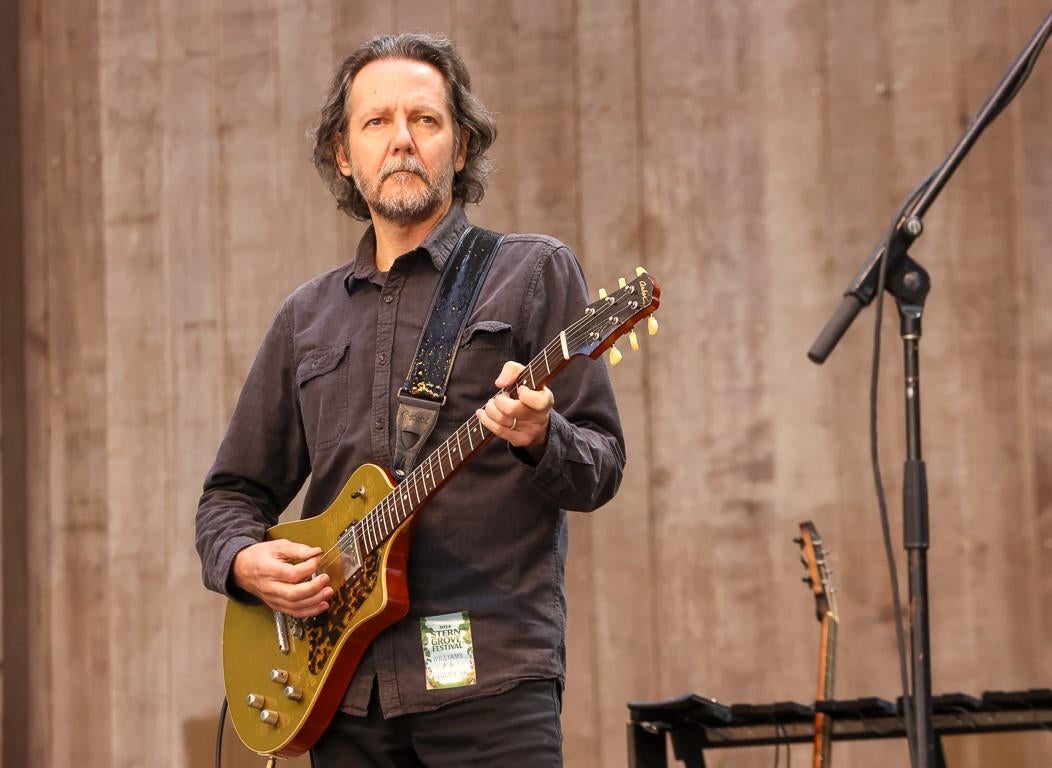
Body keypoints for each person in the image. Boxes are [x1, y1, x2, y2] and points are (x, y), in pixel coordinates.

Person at [195, 32, 625, 767]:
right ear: (343, 153)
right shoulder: (307, 317)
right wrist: (242, 562)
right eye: (376, 122)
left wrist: (536, 436)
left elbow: (601, 465)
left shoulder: (530, 273)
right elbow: (230, 496)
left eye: (425, 121)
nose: (402, 140)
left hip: (490, 683)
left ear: (460, 148)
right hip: (341, 691)